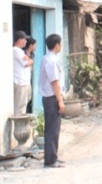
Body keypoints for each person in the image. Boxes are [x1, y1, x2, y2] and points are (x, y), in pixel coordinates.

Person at [38, 34, 65, 168]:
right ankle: (50, 160)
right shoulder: (51, 61)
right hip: (52, 98)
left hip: (50, 97)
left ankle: (53, 156)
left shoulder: (47, 58)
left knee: (53, 129)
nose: (61, 46)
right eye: (60, 43)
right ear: (57, 45)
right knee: (52, 130)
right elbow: (54, 82)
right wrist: (60, 100)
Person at [12, 30, 33, 115]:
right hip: (20, 82)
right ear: (19, 40)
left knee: (23, 104)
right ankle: (18, 123)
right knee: (19, 107)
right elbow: (26, 63)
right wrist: (31, 61)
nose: (25, 41)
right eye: (24, 39)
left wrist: (29, 59)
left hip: (23, 82)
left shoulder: (20, 51)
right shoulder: (16, 50)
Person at [23, 37, 37, 114]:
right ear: (30, 45)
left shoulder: (32, 54)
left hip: (28, 76)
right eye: (35, 45)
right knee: (23, 97)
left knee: (28, 96)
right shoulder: (23, 53)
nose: (35, 47)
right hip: (22, 78)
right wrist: (30, 61)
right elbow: (26, 63)